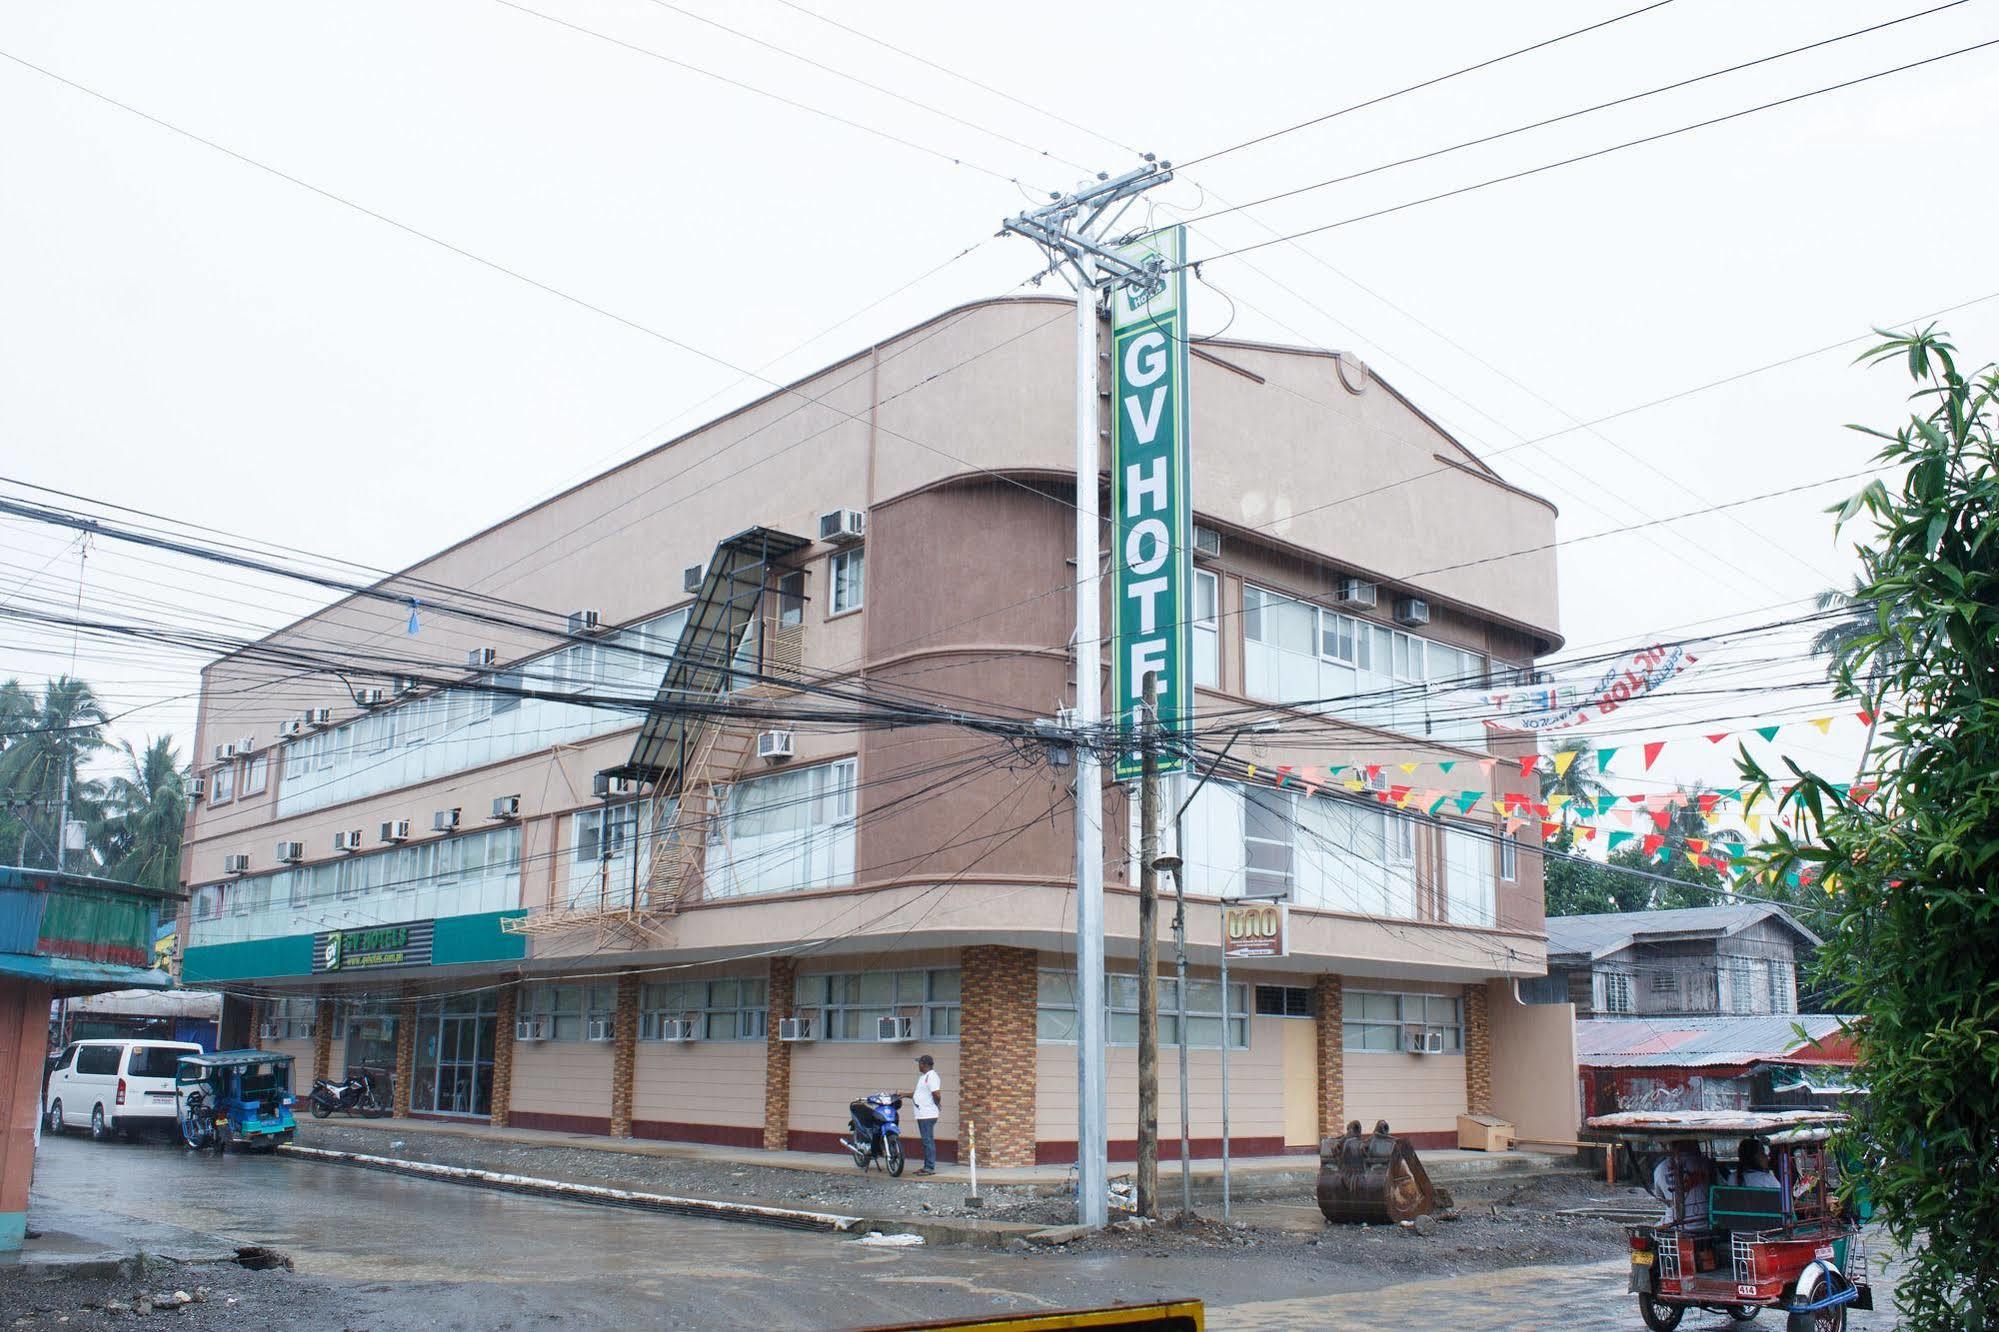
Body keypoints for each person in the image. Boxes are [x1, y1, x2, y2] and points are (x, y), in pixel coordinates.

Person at [1651, 1140, 1712, 1226]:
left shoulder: (1660, 1168)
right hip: (1706, 1223)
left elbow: (1661, 1197)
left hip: (1672, 1224)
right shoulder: (1707, 1164)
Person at [910, 1054, 942, 1176]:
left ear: (924, 1064)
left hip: (927, 1114)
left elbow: (937, 1094)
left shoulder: (932, 1077)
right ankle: (926, 1166)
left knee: (928, 1140)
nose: (918, 1065)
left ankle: (929, 1167)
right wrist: (904, 1094)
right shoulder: (924, 1077)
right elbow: (919, 1094)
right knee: (926, 1140)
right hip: (922, 1114)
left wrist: (937, 1103)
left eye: (919, 1063)